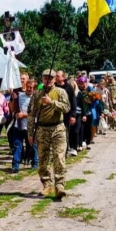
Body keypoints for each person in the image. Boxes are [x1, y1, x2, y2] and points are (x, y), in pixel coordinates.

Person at [28, 69, 70, 199]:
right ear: (42, 79)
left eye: (51, 78)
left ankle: (60, 186)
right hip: (42, 130)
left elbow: (67, 108)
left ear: (55, 79)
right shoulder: (36, 94)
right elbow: (31, 114)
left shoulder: (60, 92)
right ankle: (47, 184)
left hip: (58, 128)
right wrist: (30, 133)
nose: (49, 80)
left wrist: (51, 102)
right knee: (43, 160)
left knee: (59, 158)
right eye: (46, 78)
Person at [12, 79, 38, 172]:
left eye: (31, 87)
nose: (29, 89)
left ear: (34, 88)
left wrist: (24, 115)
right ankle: (15, 165)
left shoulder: (36, 98)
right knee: (17, 145)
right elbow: (13, 108)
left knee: (33, 146)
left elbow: (37, 113)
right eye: (28, 87)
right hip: (18, 125)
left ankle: (35, 162)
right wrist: (13, 100)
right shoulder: (19, 96)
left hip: (31, 126)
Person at [55, 71, 77, 156]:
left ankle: (64, 152)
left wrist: (73, 115)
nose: (56, 78)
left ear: (63, 77)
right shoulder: (54, 87)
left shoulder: (69, 88)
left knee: (65, 134)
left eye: (58, 76)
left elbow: (73, 102)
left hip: (66, 115)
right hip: (55, 115)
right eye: (55, 76)